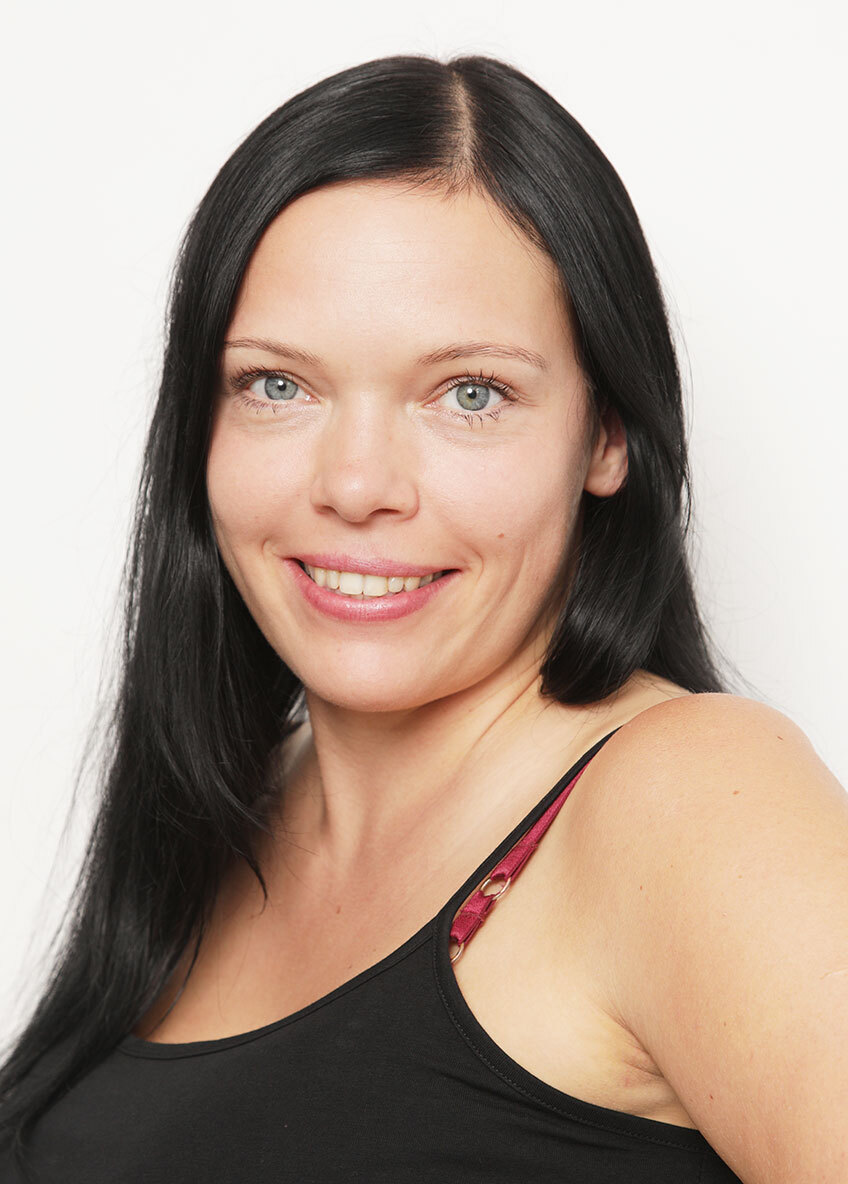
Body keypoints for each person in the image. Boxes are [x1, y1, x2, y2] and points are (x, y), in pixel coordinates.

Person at [0, 51, 845, 1184]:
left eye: (470, 394)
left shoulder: (686, 800)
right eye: (277, 385)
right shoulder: (217, 812)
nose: (356, 484)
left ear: (607, 436)